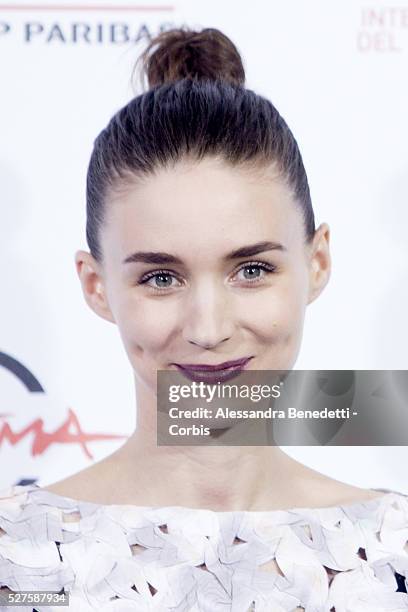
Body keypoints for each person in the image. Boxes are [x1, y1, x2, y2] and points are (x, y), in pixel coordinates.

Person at [1, 26, 407, 612]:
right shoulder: (18, 557)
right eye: (160, 278)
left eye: (252, 270)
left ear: (316, 262)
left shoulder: (392, 551)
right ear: (96, 286)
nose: (209, 327)